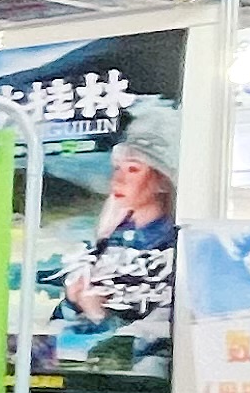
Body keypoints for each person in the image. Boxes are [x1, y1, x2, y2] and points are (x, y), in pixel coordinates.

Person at [56, 101, 181, 352]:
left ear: (162, 181)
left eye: (133, 169)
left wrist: (99, 316)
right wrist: (72, 302)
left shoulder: (173, 248)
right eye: (117, 168)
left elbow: (155, 343)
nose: (118, 179)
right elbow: (57, 327)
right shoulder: (107, 241)